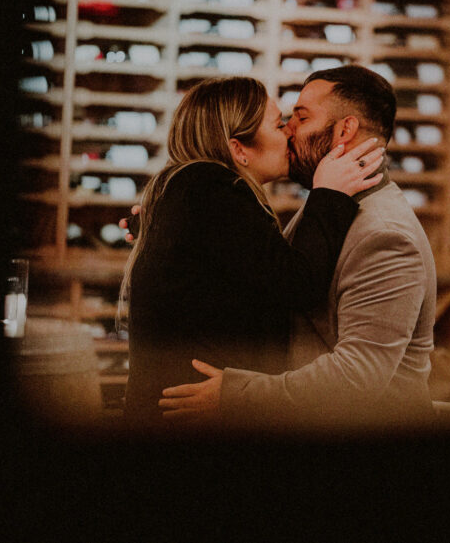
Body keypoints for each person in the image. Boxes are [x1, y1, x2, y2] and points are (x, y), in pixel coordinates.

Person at [153, 65, 438, 429]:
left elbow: (357, 378)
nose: (288, 129)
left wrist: (237, 396)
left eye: (300, 118)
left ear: (344, 130)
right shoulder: (331, 198)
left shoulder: (385, 235)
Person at [120, 76, 384, 426]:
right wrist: (329, 195)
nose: (290, 132)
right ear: (238, 149)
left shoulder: (192, 189)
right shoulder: (213, 189)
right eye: (278, 124)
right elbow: (297, 283)